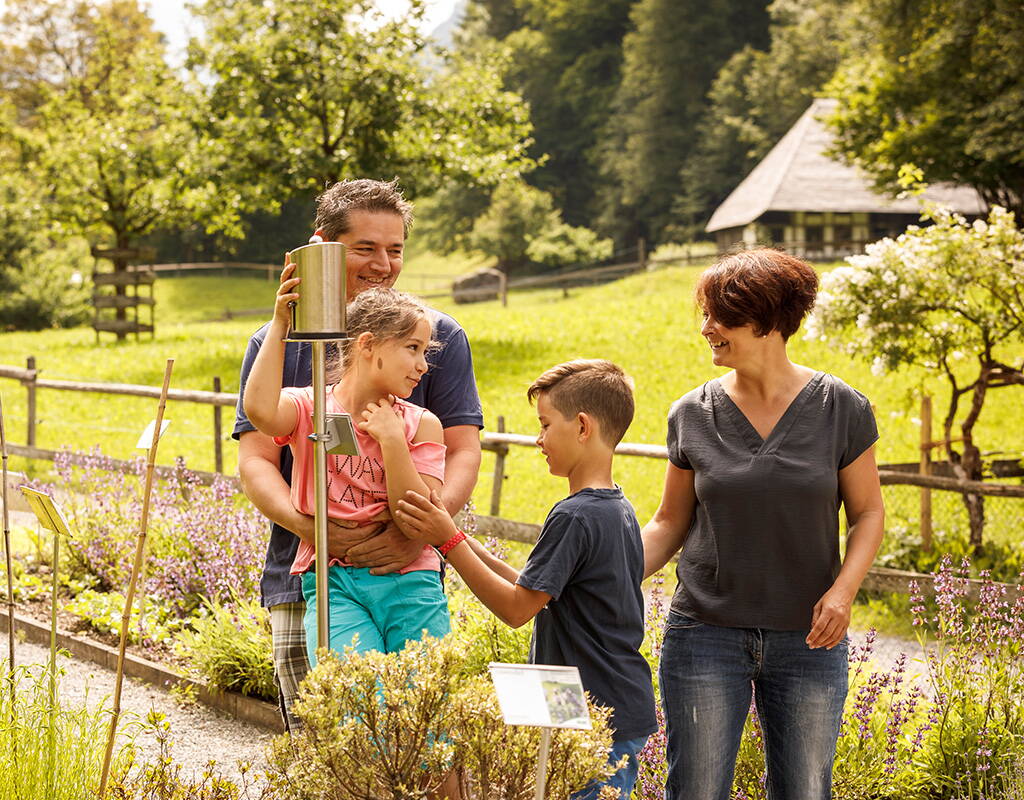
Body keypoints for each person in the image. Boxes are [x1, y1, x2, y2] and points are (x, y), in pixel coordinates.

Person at [232, 179, 483, 729]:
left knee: (422, 735)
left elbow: (460, 451)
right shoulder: (277, 345)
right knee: (330, 748)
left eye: (395, 249)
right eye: (365, 248)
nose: (383, 263)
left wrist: (420, 528)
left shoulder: (435, 336)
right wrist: (310, 526)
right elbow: (255, 459)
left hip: (406, 571)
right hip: (308, 573)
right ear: (321, 244)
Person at [641, 248, 885, 800]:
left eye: (720, 316)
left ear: (768, 319)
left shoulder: (841, 407)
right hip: (703, 634)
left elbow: (868, 512)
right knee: (695, 791)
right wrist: (603, 573)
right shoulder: (690, 413)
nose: (706, 329)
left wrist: (843, 594)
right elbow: (667, 522)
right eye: (704, 314)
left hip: (810, 639)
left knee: (804, 791)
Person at [396, 360, 657, 800]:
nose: (538, 440)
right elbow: (535, 587)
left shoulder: (575, 515)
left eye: (545, 425)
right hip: (606, 703)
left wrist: (448, 540)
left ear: (582, 426)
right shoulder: (616, 507)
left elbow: (517, 608)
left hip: (594, 712)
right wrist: (452, 534)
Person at [243, 284, 450, 663]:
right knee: (352, 700)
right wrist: (280, 324)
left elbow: (416, 516)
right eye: (412, 348)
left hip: (411, 581)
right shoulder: (309, 407)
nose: (423, 365)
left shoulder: (422, 425)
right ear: (368, 345)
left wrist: (392, 441)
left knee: (422, 707)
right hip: (334, 582)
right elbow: (259, 410)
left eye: (425, 351)